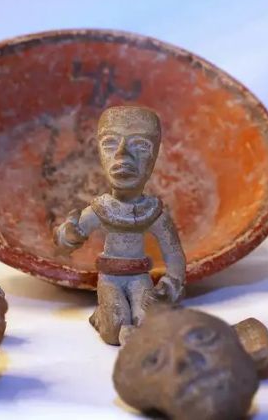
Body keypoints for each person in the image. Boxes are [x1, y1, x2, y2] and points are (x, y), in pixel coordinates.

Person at [54, 106, 185, 345]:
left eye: (140, 146)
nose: (123, 156)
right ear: (99, 153)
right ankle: (104, 317)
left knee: (149, 321)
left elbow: (174, 254)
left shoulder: (153, 212)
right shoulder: (102, 208)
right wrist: (69, 235)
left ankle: (124, 328)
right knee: (114, 329)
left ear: (155, 155)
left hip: (140, 279)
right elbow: (64, 242)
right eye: (110, 144)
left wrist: (171, 284)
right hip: (110, 280)